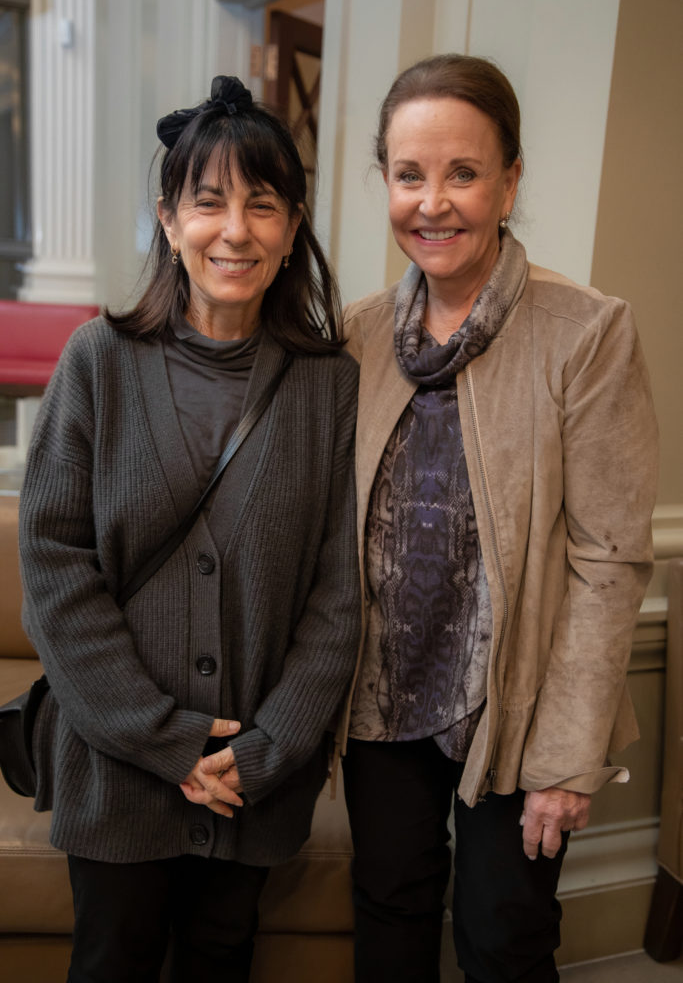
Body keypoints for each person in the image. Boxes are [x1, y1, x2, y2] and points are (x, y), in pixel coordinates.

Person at [19, 75, 359, 983]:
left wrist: (262, 752)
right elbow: (55, 567)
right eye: (207, 203)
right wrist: (167, 740)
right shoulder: (100, 361)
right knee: (112, 963)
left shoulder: (328, 385)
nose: (235, 229)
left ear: (292, 228)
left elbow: (339, 592)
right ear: (169, 221)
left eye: (262, 203)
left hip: (253, 782)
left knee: (219, 963)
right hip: (118, 769)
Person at [341, 54, 658, 983]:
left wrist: (567, 758)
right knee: (389, 913)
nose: (432, 202)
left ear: (509, 180)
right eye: (409, 174)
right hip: (380, 694)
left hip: (515, 702)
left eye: (463, 173)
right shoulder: (357, 334)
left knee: (504, 934)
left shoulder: (586, 330)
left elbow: (609, 557)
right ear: (386, 182)